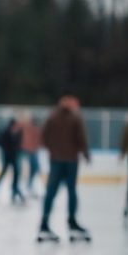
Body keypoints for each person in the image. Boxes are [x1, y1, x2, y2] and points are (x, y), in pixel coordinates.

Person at [37, 95, 92, 242]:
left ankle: (44, 223)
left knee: (51, 192)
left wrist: (52, 150)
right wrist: (85, 153)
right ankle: (71, 221)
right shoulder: (75, 117)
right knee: (71, 191)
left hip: (56, 159)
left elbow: (44, 136)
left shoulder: (52, 116)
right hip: (71, 160)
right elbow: (81, 137)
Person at [0, 117, 25, 204]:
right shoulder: (5, 132)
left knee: (16, 174)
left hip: (14, 157)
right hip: (6, 157)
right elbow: (0, 143)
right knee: (4, 173)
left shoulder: (18, 133)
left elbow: (19, 145)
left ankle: (14, 192)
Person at [17, 111, 42, 197]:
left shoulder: (37, 129)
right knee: (20, 170)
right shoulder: (24, 126)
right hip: (23, 150)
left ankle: (29, 186)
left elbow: (40, 141)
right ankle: (21, 187)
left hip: (32, 151)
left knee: (35, 168)